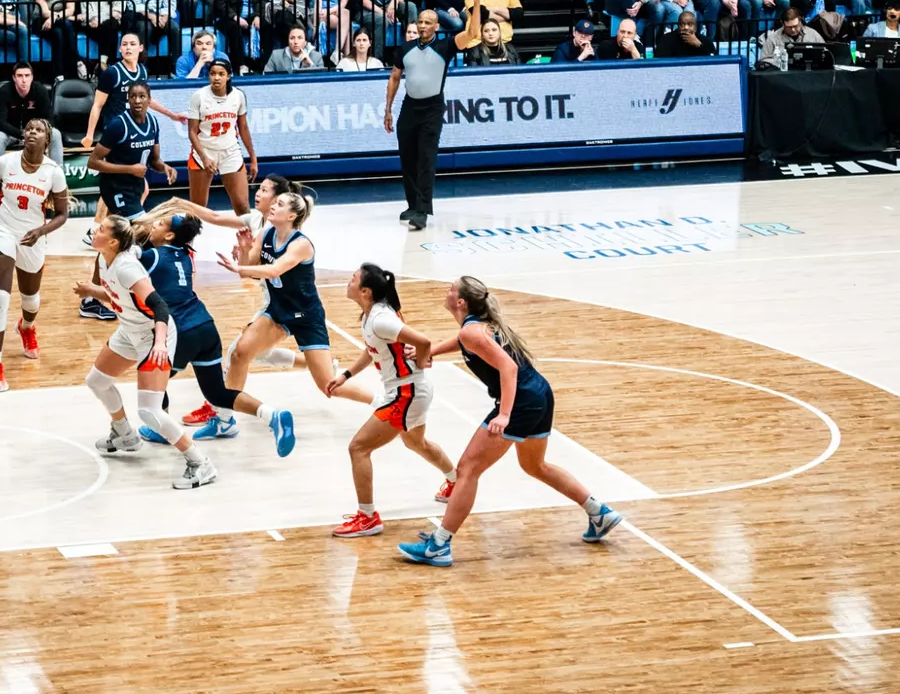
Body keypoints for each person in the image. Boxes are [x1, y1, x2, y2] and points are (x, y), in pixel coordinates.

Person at [399, 276, 623, 567]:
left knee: (467, 469)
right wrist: (430, 351)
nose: (447, 291)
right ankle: (599, 512)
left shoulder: (472, 332)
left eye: (451, 289)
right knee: (534, 465)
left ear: (461, 302)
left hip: (521, 401)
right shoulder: (475, 328)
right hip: (540, 393)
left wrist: (504, 414)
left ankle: (439, 545)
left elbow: (509, 368)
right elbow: (463, 343)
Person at [132, 211, 296, 453]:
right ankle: (272, 415)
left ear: (169, 235)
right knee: (217, 392)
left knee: (153, 377)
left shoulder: (151, 256)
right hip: (205, 326)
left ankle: (160, 429)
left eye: (160, 223)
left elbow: (124, 253)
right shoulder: (186, 254)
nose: (153, 225)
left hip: (181, 330)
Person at [76, 214, 218, 490]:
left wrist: (160, 344)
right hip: (130, 330)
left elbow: (160, 306)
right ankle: (125, 435)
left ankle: (200, 463)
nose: (95, 231)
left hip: (154, 334)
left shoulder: (127, 268)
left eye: (101, 229)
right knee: (97, 381)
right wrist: (93, 291)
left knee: (150, 412)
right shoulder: (104, 260)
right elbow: (120, 299)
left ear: (113, 242)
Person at [328, 263, 459, 539]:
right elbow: (372, 349)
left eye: (353, 278)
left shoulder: (381, 319)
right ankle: (456, 482)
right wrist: (346, 375)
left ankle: (368, 518)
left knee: (358, 448)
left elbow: (423, 342)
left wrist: (422, 361)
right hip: (406, 391)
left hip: (407, 393)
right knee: (416, 443)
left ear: (365, 291)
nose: (348, 281)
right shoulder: (370, 316)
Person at [216, 188, 375, 405]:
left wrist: (239, 268)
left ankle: (381, 402)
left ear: (292, 216)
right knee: (239, 354)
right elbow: (249, 269)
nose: (273, 206)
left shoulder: (301, 244)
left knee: (329, 386)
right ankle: (226, 417)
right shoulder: (266, 234)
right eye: (274, 202)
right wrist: (244, 250)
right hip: (277, 310)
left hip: (306, 316)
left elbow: (274, 270)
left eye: (280, 204)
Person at [0, 117, 71, 393]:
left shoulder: (53, 172)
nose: (32, 132)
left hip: (32, 234)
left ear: (47, 140)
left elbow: (63, 215)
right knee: (0, 297)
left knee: (31, 299)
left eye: (39, 130)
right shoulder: (5, 162)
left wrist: (41, 231)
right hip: (3, 229)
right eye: (29, 128)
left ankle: (27, 327)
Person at [383, 6, 481, 231]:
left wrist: (476, 6)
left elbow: (472, 33)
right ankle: (412, 204)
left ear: (437, 26)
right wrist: (388, 109)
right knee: (408, 158)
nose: (423, 26)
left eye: (428, 22)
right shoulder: (406, 48)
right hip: (409, 106)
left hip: (432, 108)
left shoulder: (445, 46)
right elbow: (395, 77)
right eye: (420, 22)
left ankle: (422, 210)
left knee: (426, 158)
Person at [86, 79, 176, 315]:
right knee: (143, 232)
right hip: (115, 187)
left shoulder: (153, 123)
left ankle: (102, 294)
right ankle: (130, 292)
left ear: (149, 99)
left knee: (118, 240)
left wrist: (165, 167)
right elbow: (93, 162)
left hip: (134, 187)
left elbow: (153, 161)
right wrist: (129, 169)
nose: (137, 100)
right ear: (127, 99)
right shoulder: (118, 125)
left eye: (142, 96)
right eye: (133, 96)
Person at [187, 59, 257, 215]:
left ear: (229, 76)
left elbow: (243, 128)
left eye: (221, 74)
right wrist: (204, 158)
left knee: (242, 206)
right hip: (204, 151)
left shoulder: (238, 96)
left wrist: (253, 158)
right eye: (212, 74)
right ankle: (187, 232)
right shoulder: (198, 96)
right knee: (197, 208)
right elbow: (192, 132)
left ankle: (250, 232)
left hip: (230, 151)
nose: (216, 78)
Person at [0, 61, 64, 165]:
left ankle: (57, 171)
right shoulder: (4, 92)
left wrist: (37, 131)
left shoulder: (40, 90)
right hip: (10, 131)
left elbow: (50, 118)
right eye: (20, 76)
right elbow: (0, 122)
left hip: (34, 131)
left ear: (32, 77)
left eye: (27, 75)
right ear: (14, 78)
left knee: (55, 134)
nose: (24, 80)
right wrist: (21, 134)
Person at [758, 8, 825, 69]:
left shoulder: (813, 34)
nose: (793, 30)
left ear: (800, 21)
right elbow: (764, 60)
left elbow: (826, 53)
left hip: (809, 72)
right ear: (783, 24)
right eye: (789, 27)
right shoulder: (773, 38)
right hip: (782, 74)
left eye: (795, 26)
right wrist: (779, 61)